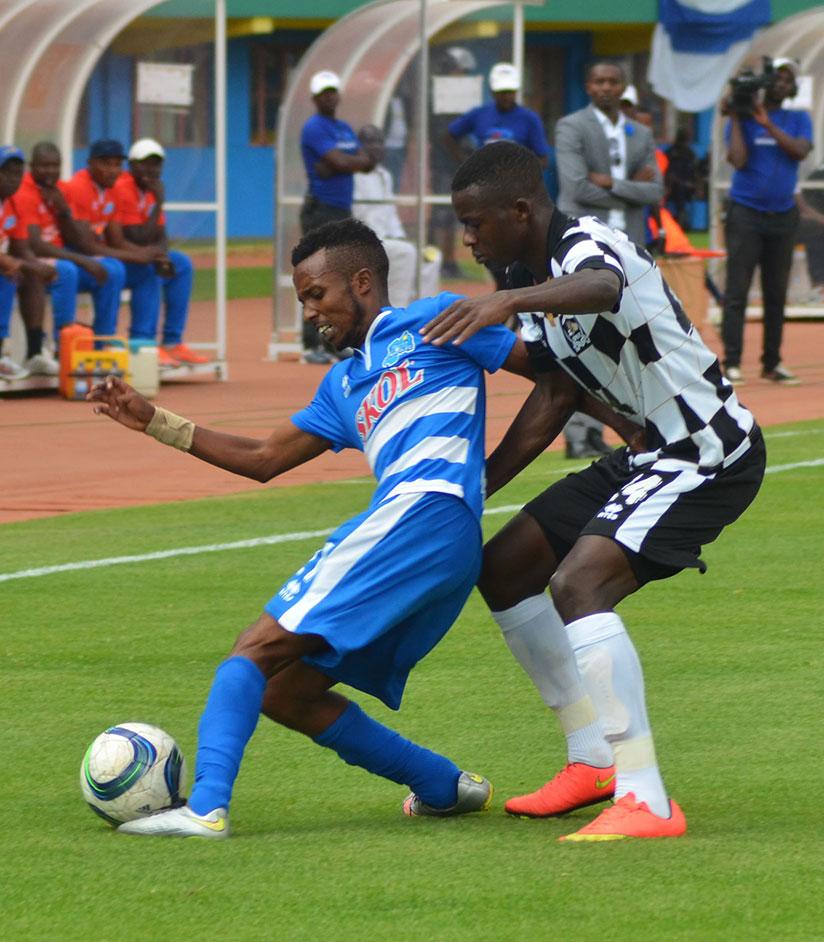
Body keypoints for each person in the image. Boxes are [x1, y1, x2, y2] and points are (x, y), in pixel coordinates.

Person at [87, 217, 531, 839]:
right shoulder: (343, 384)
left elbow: (548, 374)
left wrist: (492, 472)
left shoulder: (436, 318)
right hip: (438, 540)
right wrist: (157, 421)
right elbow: (264, 459)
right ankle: (441, 785)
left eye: (316, 295)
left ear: (363, 280)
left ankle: (207, 807)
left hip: (421, 513)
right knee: (284, 692)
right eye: (302, 300)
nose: (311, 312)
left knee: (254, 649)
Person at [421, 141, 765, 841]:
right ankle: (594, 761)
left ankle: (646, 796)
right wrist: (477, 487)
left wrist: (507, 300)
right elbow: (555, 393)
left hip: (706, 451)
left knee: (579, 585)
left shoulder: (586, 242)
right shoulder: (527, 273)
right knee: (506, 568)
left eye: (476, 222)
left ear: (520, 209)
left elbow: (603, 288)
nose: (467, 237)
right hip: (650, 455)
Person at [555, 62, 664, 460]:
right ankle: (578, 434)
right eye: (598, 81)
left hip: (630, 248)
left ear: (622, 86)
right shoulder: (571, 126)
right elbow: (576, 186)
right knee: (584, 341)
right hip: (585, 247)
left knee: (629, 342)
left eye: (612, 81)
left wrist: (613, 183)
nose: (605, 87)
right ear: (588, 85)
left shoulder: (641, 132)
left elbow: (655, 192)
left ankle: (610, 429)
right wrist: (631, 188)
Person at [720, 58, 811, 386]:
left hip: (783, 214)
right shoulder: (741, 119)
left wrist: (768, 125)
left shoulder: (798, 118)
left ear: (794, 87)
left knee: (776, 293)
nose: (782, 83)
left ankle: (772, 363)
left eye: (789, 79)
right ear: (765, 83)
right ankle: (732, 362)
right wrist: (736, 115)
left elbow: (800, 151)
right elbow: (738, 160)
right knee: (737, 292)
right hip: (746, 213)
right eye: (778, 77)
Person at [62, 139, 168, 356]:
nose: (113, 170)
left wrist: (144, 256)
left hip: (92, 258)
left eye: (117, 165)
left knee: (148, 270)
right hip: (72, 257)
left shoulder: (109, 189)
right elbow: (85, 245)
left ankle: (144, 343)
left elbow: (115, 238)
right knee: (114, 269)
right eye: (106, 164)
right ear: (91, 163)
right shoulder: (79, 186)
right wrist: (137, 256)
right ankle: (98, 343)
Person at [299, 70, 377, 364]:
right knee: (314, 276)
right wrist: (348, 162)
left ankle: (333, 340)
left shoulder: (343, 128)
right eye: (324, 93)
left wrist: (346, 164)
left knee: (337, 276)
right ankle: (310, 345)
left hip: (341, 209)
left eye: (333, 91)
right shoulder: (314, 127)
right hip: (320, 209)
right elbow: (342, 161)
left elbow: (362, 163)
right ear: (315, 99)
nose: (330, 97)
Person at [15, 142, 125, 348]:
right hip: (34, 259)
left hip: (61, 254)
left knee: (113, 270)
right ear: (32, 167)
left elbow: (75, 239)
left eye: (55, 166)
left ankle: (103, 341)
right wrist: (84, 260)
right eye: (44, 166)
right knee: (67, 271)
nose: (50, 172)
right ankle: (64, 344)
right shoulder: (24, 192)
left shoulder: (62, 190)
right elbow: (36, 245)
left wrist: (63, 210)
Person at [110, 138, 207, 367]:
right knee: (150, 268)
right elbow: (137, 236)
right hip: (120, 256)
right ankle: (143, 342)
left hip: (139, 254)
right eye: (145, 164)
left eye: (156, 164)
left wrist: (162, 253)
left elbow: (161, 234)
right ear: (132, 165)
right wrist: (160, 203)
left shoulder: (150, 190)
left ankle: (172, 342)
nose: (152, 170)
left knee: (181, 263)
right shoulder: (124, 187)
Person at [352, 125, 440, 307]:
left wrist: (400, 236)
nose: (376, 147)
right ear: (359, 146)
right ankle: (396, 312)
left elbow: (391, 215)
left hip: (389, 240)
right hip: (367, 242)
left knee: (432, 256)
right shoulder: (353, 176)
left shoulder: (384, 175)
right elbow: (359, 218)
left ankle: (421, 312)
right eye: (369, 142)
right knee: (406, 252)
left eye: (379, 142)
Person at [0, 146, 58, 379]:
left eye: (17, 173)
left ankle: (34, 353)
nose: (13, 178)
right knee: (8, 273)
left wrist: (38, 268)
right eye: (6, 172)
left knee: (29, 274)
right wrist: (6, 260)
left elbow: (21, 248)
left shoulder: (13, 203)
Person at [429, 46, 479, 280]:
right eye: (460, 70)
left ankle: (449, 261)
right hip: (444, 164)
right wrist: (461, 157)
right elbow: (441, 135)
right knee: (442, 213)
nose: (463, 76)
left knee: (455, 213)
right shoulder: (438, 96)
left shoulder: (465, 98)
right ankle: (441, 261)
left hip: (461, 164)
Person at [797, 164, 824, 303]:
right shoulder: (817, 177)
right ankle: (819, 288)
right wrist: (820, 220)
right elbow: (804, 210)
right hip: (812, 228)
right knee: (816, 233)